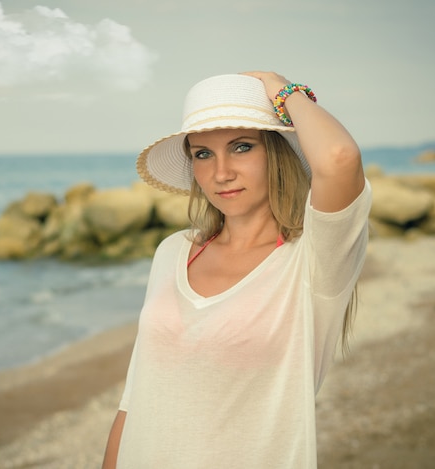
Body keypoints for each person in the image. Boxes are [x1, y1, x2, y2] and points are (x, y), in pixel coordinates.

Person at [102, 71, 371, 468]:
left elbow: (339, 159)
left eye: (242, 146)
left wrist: (280, 87)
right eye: (203, 154)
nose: (221, 172)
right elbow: (135, 399)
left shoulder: (313, 261)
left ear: (278, 153)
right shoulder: (173, 251)